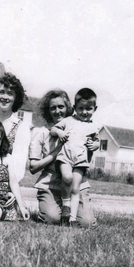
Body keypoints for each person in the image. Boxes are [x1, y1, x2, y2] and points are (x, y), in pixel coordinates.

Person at [29, 89, 97, 227]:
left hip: (75, 184)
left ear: (68, 108)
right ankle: (57, 207)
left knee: (86, 223)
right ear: (47, 111)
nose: (57, 111)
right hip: (51, 183)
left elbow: (86, 156)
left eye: (61, 106)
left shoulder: (79, 127)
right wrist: (55, 154)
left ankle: (71, 213)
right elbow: (33, 167)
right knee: (52, 218)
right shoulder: (41, 132)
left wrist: (93, 146)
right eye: (52, 108)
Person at [51, 88, 99, 225]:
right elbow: (54, 129)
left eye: (88, 109)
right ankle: (66, 206)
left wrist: (95, 145)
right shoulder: (68, 120)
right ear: (74, 108)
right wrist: (60, 133)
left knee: (76, 187)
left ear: (94, 108)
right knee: (67, 177)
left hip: (81, 161)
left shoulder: (94, 126)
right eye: (81, 108)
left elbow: (97, 141)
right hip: (66, 157)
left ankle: (71, 218)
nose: (84, 112)